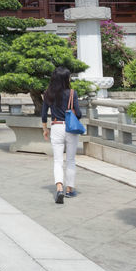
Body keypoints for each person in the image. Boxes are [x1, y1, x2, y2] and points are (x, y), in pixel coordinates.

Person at [40, 66, 82, 203]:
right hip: (70, 128)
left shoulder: (48, 93)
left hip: (56, 127)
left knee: (57, 160)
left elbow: (43, 113)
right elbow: (79, 114)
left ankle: (59, 188)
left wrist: (45, 129)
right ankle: (69, 190)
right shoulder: (72, 93)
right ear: (66, 79)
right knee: (70, 160)